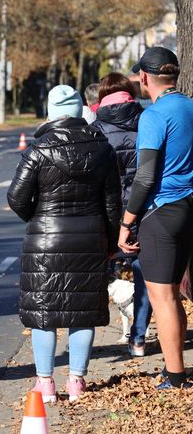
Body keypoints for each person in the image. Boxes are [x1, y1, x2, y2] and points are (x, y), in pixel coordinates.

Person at [8, 84, 122, 402]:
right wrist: (111, 241)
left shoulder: (38, 150)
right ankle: (77, 381)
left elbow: (16, 197)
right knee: (82, 311)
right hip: (90, 236)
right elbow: (113, 202)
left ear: (52, 113)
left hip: (45, 240)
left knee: (45, 311)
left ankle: (45, 383)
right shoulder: (102, 149)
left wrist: (38, 217)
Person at [118, 47, 193, 390]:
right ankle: (174, 367)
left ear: (145, 78)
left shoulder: (154, 115)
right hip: (190, 208)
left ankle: (176, 376)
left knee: (162, 296)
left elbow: (146, 177)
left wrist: (127, 222)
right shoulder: (191, 106)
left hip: (163, 211)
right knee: (176, 291)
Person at [92, 72, 152, 357]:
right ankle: (138, 338)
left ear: (102, 97)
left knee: (99, 268)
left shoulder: (96, 129)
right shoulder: (148, 120)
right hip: (146, 209)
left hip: (110, 212)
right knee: (145, 273)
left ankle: (85, 338)